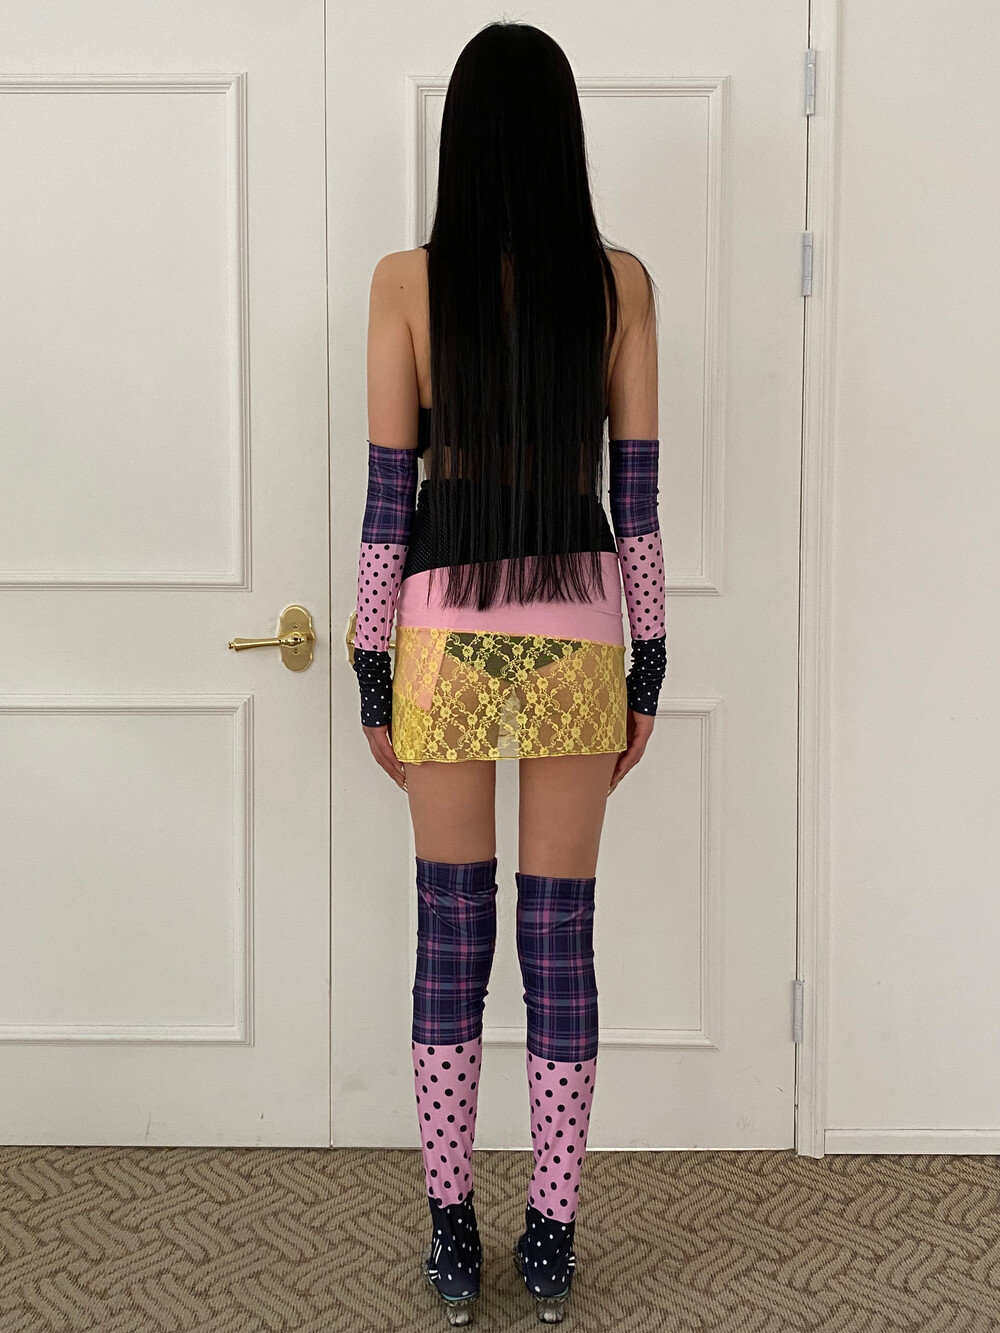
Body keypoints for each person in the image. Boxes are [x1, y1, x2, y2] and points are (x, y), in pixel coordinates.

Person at [350, 20, 665, 1327]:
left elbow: (389, 504)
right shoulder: (620, 284)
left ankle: (448, 1226)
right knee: (558, 941)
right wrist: (651, 667)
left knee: (450, 938)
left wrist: (373, 671)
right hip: (581, 626)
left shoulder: (404, 284)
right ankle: (550, 1228)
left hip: (446, 627)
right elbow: (638, 503)